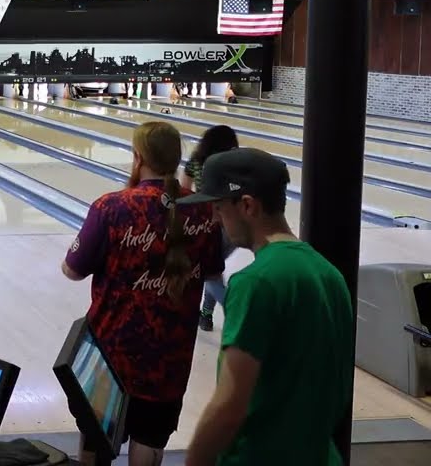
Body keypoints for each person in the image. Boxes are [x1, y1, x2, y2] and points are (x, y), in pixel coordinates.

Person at [63, 121, 225, 466]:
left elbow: (72, 270)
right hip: (170, 356)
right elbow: (212, 271)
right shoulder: (203, 210)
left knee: (96, 437)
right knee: (151, 439)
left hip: (111, 355)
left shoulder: (111, 208)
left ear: (138, 157)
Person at [181, 149, 354, 466]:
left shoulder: (255, 282)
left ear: (247, 205)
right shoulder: (329, 274)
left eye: (219, 208)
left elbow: (229, 409)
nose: (216, 219)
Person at [182, 125, 241, 332]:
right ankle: (206, 315)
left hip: (210, 226)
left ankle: (236, 312)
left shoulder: (196, 162)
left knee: (210, 272)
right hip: (234, 227)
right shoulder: (233, 165)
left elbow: (185, 192)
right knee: (212, 269)